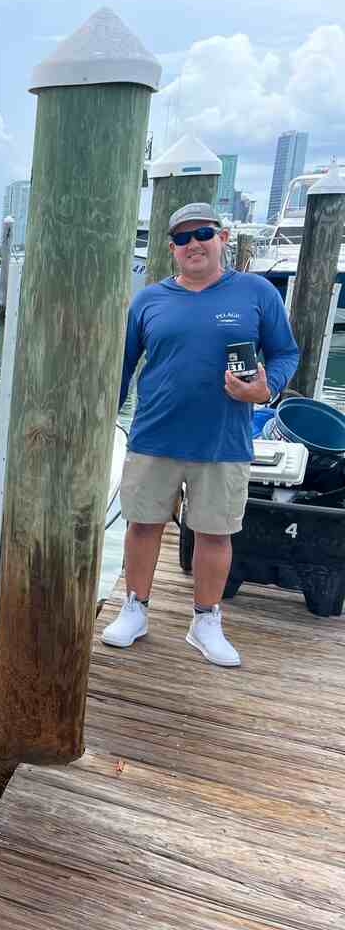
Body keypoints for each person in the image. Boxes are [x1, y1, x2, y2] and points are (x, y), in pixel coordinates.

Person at [103, 202, 299, 667]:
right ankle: (136, 608)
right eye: (183, 238)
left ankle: (206, 620)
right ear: (171, 248)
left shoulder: (255, 292)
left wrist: (265, 387)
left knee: (215, 533)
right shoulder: (147, 300)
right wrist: (103, 419)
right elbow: (122, 368)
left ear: (223, 238)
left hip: (223, 442)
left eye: (203, 234)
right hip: (153, 437)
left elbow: (285, 352)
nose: (194, 244)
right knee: (143, 524)